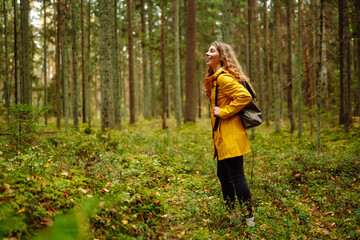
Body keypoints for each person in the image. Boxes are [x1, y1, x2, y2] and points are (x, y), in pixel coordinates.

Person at [203, 41, 255, 227]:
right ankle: (230, 213)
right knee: (224, 176)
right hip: (222, 136)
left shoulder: (223, 79)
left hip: (230, 135)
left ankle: (249, 218)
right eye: (208, 51)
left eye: (211, 51)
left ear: (221, 56)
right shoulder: (216, 79)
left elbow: (245, 96)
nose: (207, 54)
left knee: (237, 177)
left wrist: (223, 112)